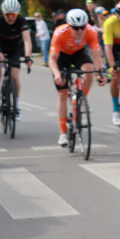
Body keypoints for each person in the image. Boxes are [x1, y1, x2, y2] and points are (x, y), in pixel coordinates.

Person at [49, 8, 106, 146]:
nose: (80, 31)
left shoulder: (91, 31)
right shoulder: (60, 33)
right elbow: (52, 59)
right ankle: (63, 133)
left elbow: (96, 55)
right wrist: (57, 74)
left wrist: (100, 74)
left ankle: (80, 99)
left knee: (89, 70)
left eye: (82, 27)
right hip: (61, 57)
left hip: (78, 53)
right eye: (76, 28)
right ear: (69, 26)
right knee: (62, 93)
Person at [0, 0, 33, 120]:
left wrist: (28, 56)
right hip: (0, 45)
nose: (11, 17)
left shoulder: (21, 21)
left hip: (14, 48)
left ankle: (17, 106)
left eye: (14, 15)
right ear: (3, 13)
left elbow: (27, 40)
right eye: (8, 15)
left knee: (15, 75)